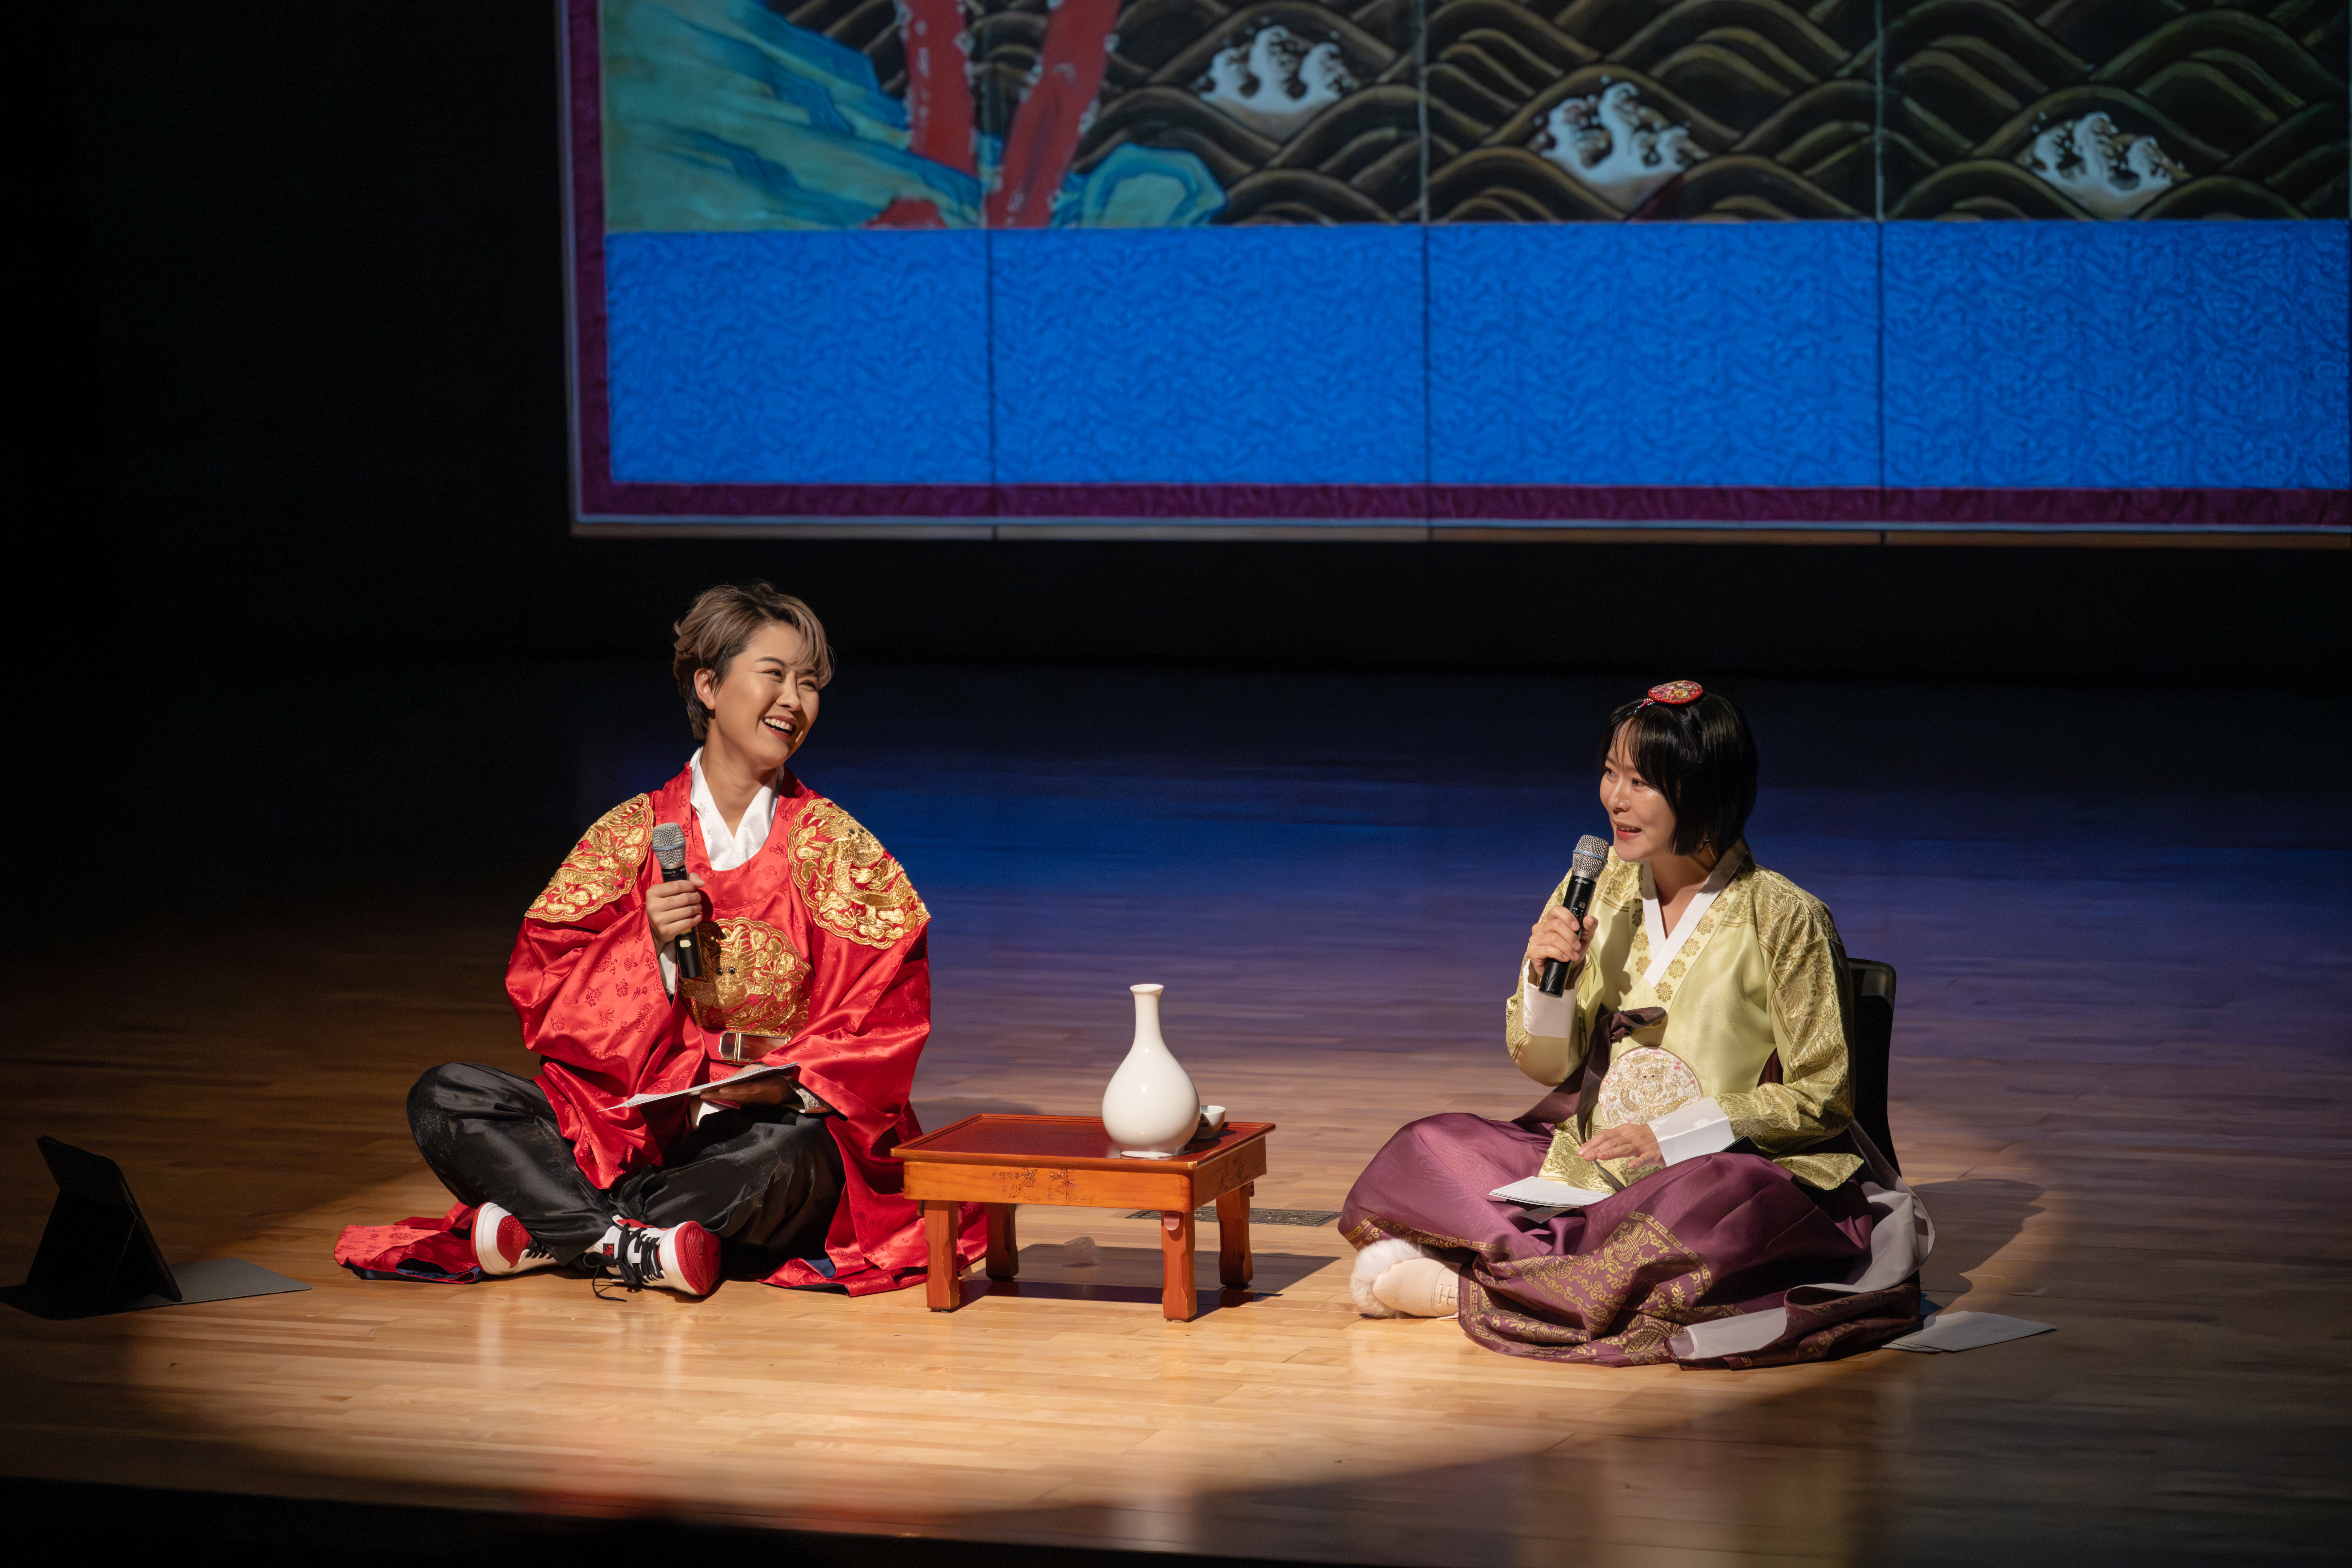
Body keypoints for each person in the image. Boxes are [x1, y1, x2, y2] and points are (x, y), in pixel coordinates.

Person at [337, 584, 981, 1296]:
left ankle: (557, 1230)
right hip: (622, 1129)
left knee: (793, 1159)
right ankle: (626, 1243)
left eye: (809, 683)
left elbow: (888, 1010)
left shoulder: (839, 849)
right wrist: (641, 943)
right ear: (709, 685)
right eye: (775, 674)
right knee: (448, 1095)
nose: (795, 700)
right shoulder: (629, 835)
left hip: (755, 1135)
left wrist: (789, 1083)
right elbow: (543, 995)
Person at [1338, 681, 1932, 1367]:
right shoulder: (1596, 888)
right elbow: (1545, 1067)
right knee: (1430, 1146)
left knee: (1709, 1211)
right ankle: (1571, 1280)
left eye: (1642, 781)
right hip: (1586, 1163)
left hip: (1716, 1172)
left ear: (1705, 788)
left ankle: (1473, 1287)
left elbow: (1822, 1096)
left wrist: (1672, 1136)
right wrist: (1544, 981)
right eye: (1611, 774)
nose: (1615, 798)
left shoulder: (1786, 915)